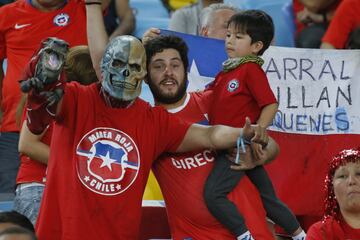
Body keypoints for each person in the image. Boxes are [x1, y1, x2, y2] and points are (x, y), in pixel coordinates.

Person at [23, 6, 268, 239]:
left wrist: (244, 133)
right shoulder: (78, 97)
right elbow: (37, 121)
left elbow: (210, 135)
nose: (125, 74)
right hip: (62, 234)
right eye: (118, 65)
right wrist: (41, 89)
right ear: (104, 66)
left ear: (143, 74)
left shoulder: (154, 121)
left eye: (134, 67)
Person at [144, 34, 277, 239]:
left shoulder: (213, 101)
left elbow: (272, 145)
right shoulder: (146, 123)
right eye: (158, 66)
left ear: (186, 70)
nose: (168, 72)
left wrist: (260, 156)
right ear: (145, 75)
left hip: (253, 232)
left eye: (175, 65)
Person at [203, 10, 306, 240]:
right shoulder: (226, 71)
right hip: (232, 143)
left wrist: (260, 130)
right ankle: (301, 235)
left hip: (237, 146)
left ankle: (243, 235)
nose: (229, 40)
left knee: (213, 194)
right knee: (268, 200)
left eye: (238, 37)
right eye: (228, 34)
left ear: (257, 46)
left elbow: (270, 103)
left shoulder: (250, 70)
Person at [0, 0, 91, 194]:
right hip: (13, 126)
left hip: (71, 127)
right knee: (8, 201)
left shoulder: (84, 7)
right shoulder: (6, 14)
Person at [14, 42, 99, 226]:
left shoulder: (80, 103)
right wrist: (79, 164)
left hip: (67, 188)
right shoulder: (48, 96)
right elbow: (27, 144)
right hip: (39, 187)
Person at [307, 147, 360, 239]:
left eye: (359, 174)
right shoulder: (320, 232)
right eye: (342, 176)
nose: (351, 181)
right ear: (332, 188)